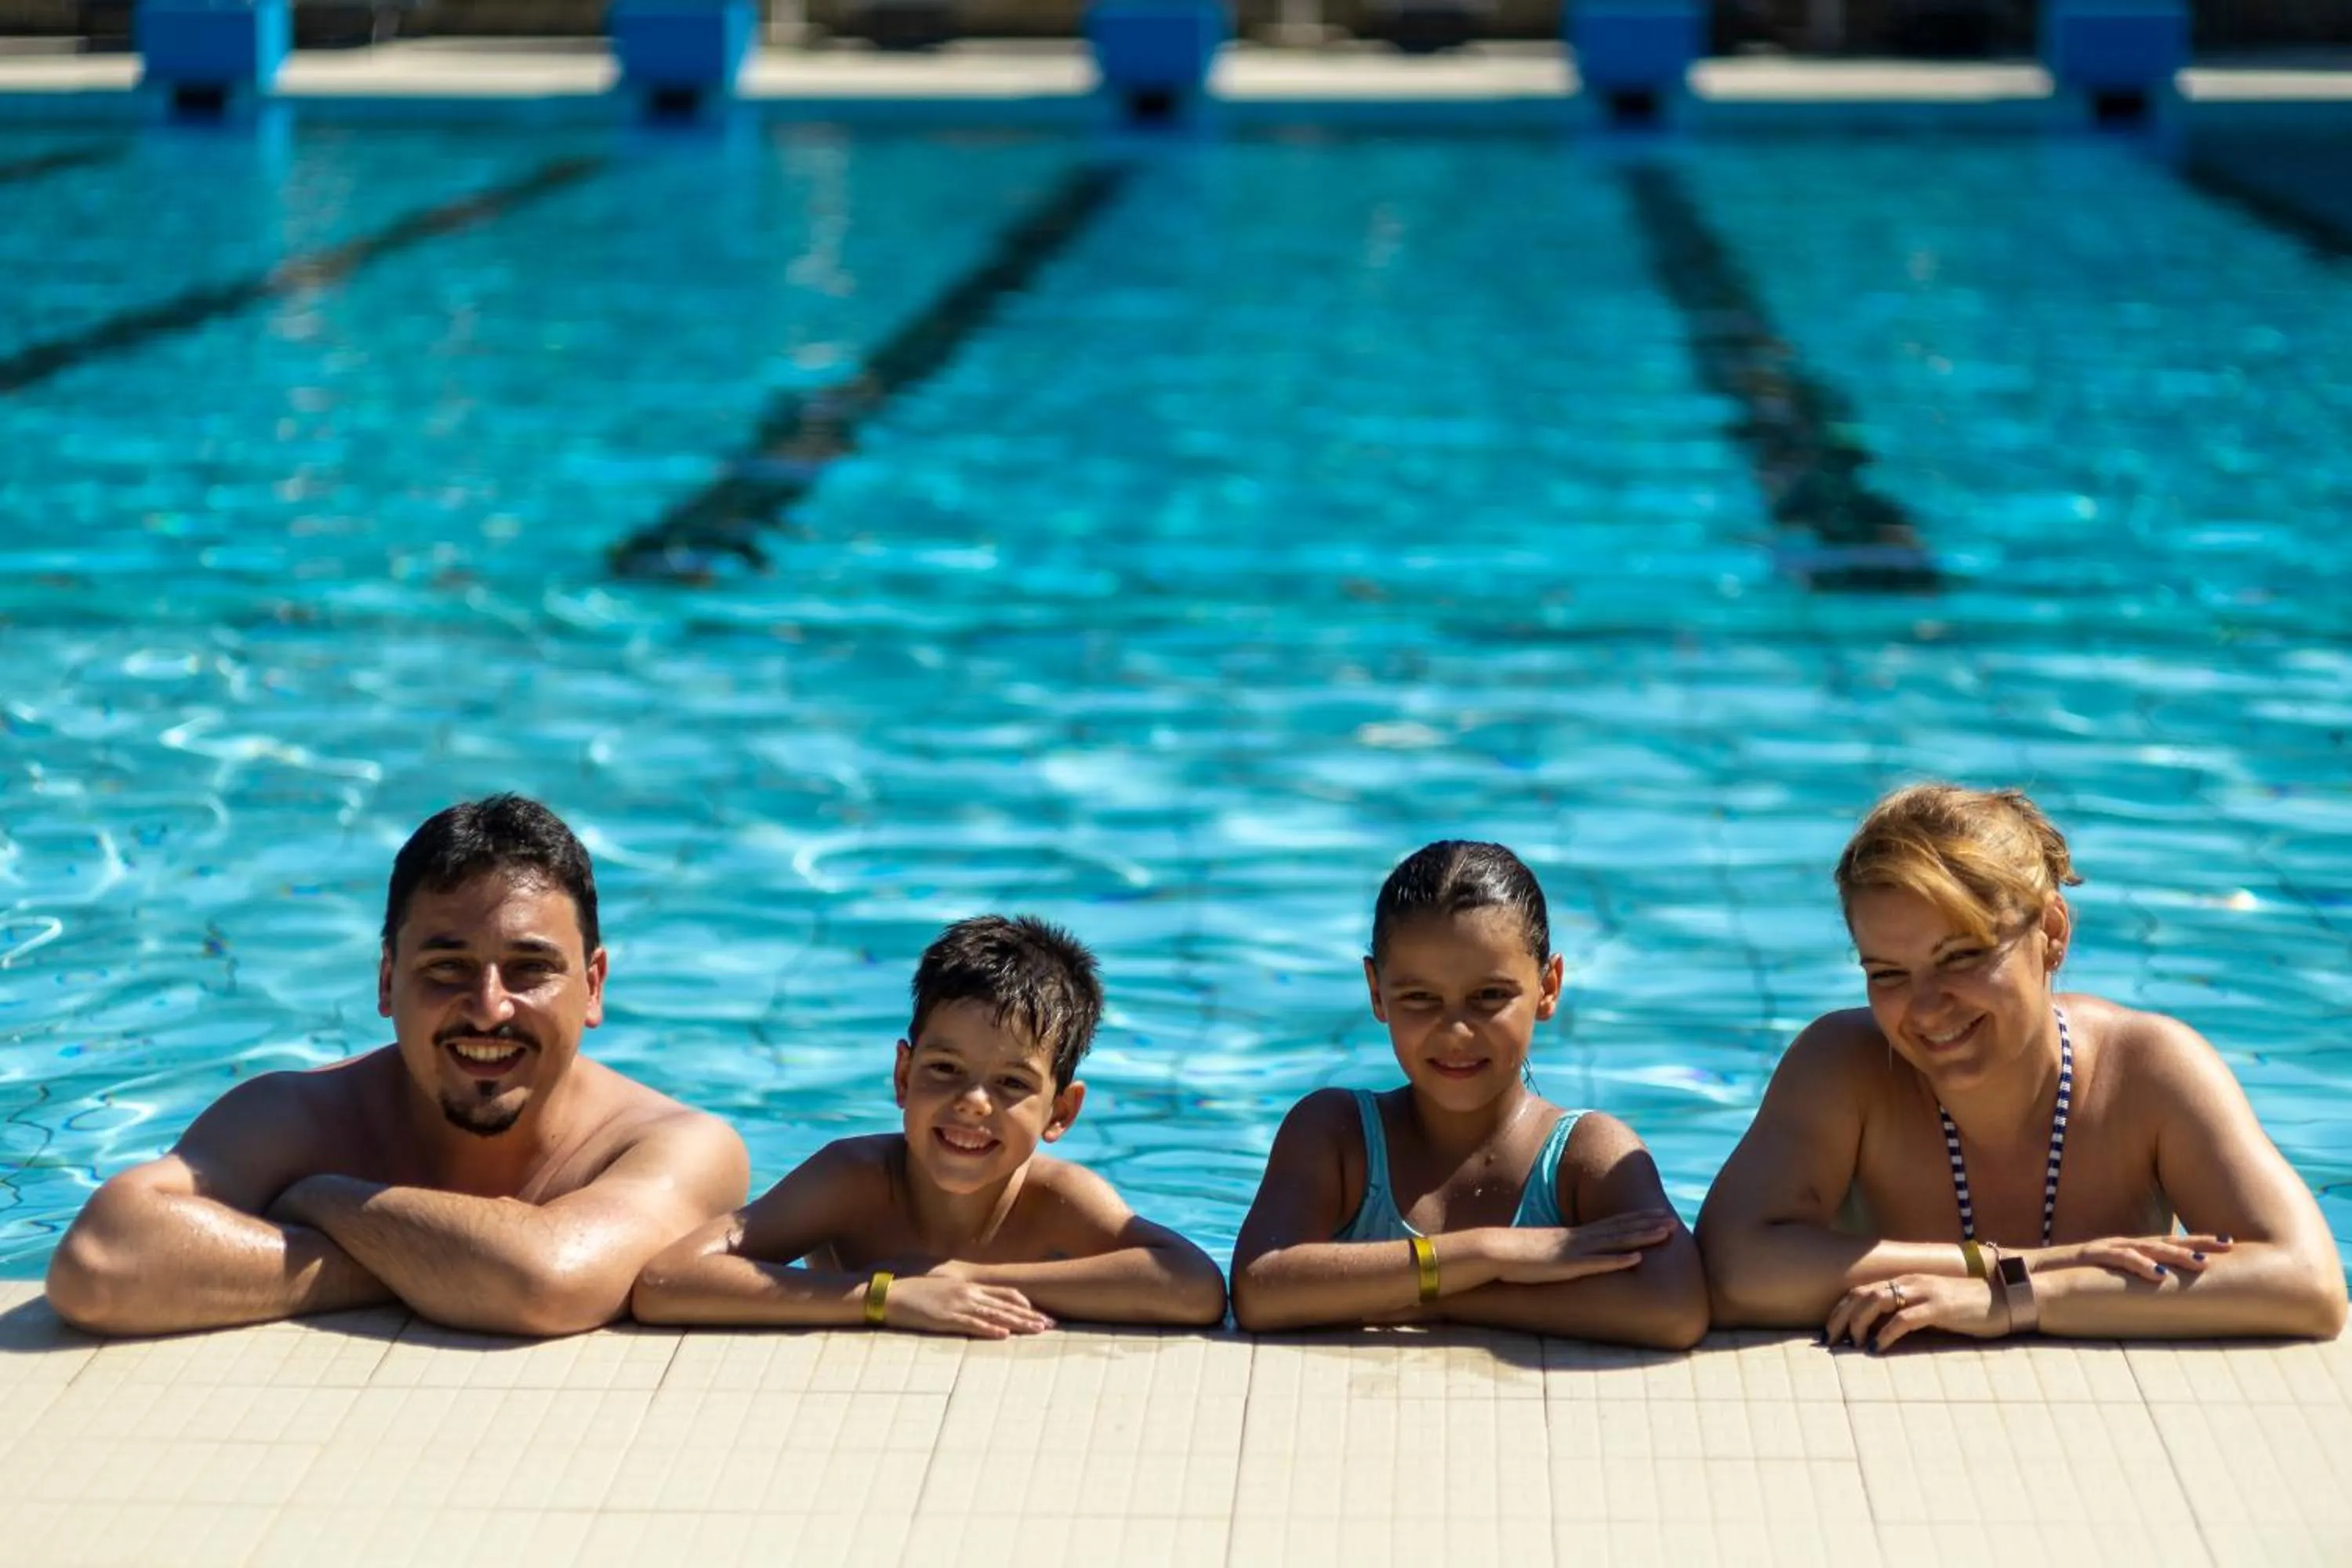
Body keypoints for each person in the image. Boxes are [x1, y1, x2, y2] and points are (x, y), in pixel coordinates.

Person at [44, 795, 749, 1338]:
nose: (488, 1008)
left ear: (592, 987)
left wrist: (324, 1200)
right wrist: (430, 1267)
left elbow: (546, 1285)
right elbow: (100, 1263)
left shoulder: (674, 1145)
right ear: (387, 982)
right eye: (447, 968)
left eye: (530, 969)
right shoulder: (297, 1115)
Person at [1698, 783, 2347, 1349]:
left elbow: (2308, 1282)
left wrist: (2015, 1301)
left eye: (1960, 957)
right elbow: (1730, 1270)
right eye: (1889, 974)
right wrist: (2004, 1266)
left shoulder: (2146, 1071)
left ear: (2052, 932)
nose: (1927, 1008)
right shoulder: (1843, 1067)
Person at [632, 914, 1228, 1337]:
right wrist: (883, 1296)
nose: (973, 1102)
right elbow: (667, 1281)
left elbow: (1195, 1287)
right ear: (903, 1075)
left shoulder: (1057, 1200)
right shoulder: (854, 1181)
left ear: (1061, 1113)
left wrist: (965, 1277)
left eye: (1012, 1083)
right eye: (945, 1069)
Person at [1229, 841, 1709, 1347]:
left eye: (1490, 996)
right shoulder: (1335, 1135)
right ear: (1376, 991)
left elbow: (1675, 1307)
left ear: (1548, 987)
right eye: (1420, 998)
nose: (1456, 1031)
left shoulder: (1585, 1156)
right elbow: (1259, 1289)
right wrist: (1487, 1253)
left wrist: (1441, 1296)